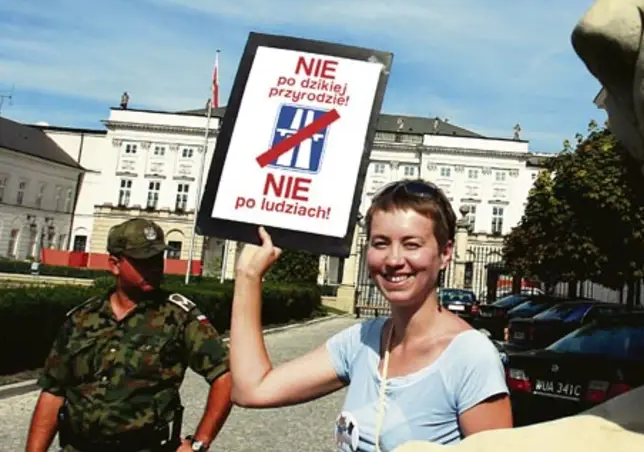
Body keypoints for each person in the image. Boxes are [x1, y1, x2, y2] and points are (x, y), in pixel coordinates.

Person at [229, 178, 512, 451]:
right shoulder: (363, 341)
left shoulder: (471, 357)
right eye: (380, 243)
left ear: (445, 253)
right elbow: (252, 389)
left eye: (412, 244)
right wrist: (248, 275)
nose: (393, 260)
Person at [25, 218, 234, 452]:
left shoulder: (178, 316)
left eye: (157, 259)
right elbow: (54, 392)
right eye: (143, 261)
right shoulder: (82, 318)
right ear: (115, 264)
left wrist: (198, 443)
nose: (153, 267)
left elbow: (225, 376)